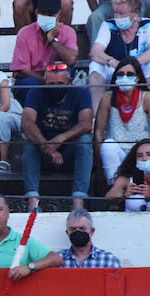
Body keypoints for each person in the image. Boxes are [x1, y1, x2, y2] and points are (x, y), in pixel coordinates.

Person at [21, 61, 94, 211]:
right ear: (45, 82)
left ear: (70, 81)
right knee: (29, 145)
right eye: (51, 83)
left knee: (85, 141)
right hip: (44, 152)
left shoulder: (81, 93)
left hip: (69, 152)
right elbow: (27, 123)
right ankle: (32, 204)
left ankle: (78, 204)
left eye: (60, 83)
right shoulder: (36, 92)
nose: (55, 87)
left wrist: (60, 139)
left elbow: (86, 124)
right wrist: (48, 147)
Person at [93, 57, 150, 183]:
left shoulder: (147, 98)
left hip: (141, 151)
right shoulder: (108, 98)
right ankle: (115, 187)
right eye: (120, 74)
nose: (124, 77)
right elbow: (98, 132)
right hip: (117, 151)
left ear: (137, 78)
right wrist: (98, 159)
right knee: (108, 145)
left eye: (129, 74)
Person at [88, 0, 150, 105]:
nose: (117, 17)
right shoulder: (108, 25)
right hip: (115, 69)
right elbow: (95, 52)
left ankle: (144, 107)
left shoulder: (149, 24)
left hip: (139, 70)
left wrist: (133, 65)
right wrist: (115, 63)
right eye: (115, 13)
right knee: (95, 66)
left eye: (122, 13)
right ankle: (96, 116)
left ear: (136, 13)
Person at [11, 0, 79, 87]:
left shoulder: (68, 32)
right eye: (43, 14)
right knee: (33, 84)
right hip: (32, 79)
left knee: (65, 83)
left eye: (51, 14)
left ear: (59, 15)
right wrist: (46, 80)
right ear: (36, 13)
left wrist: (54, 40)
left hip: (58, 78)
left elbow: (71, 60)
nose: (47, 17)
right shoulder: (24, 33)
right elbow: (23, 70)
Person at [105, 136, 150, 209]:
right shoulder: (125, 179)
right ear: (135, 159)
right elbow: (108, 196)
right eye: (139, 156)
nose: (144, 159)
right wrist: (124, 194)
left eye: (149, 154)